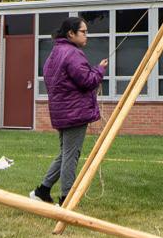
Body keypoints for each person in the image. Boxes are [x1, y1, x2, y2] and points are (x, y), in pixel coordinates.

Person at [28, 17, 108, 205]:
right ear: (71, 34)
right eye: (84, 32)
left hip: (62, 112)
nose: (86, 35)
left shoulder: (55, 53)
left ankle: (42, 191)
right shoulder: (73, 54)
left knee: (65, 153)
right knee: (71, 156)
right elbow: (87, 81)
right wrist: (100, 69)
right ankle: (66, 199)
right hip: (74, 114)